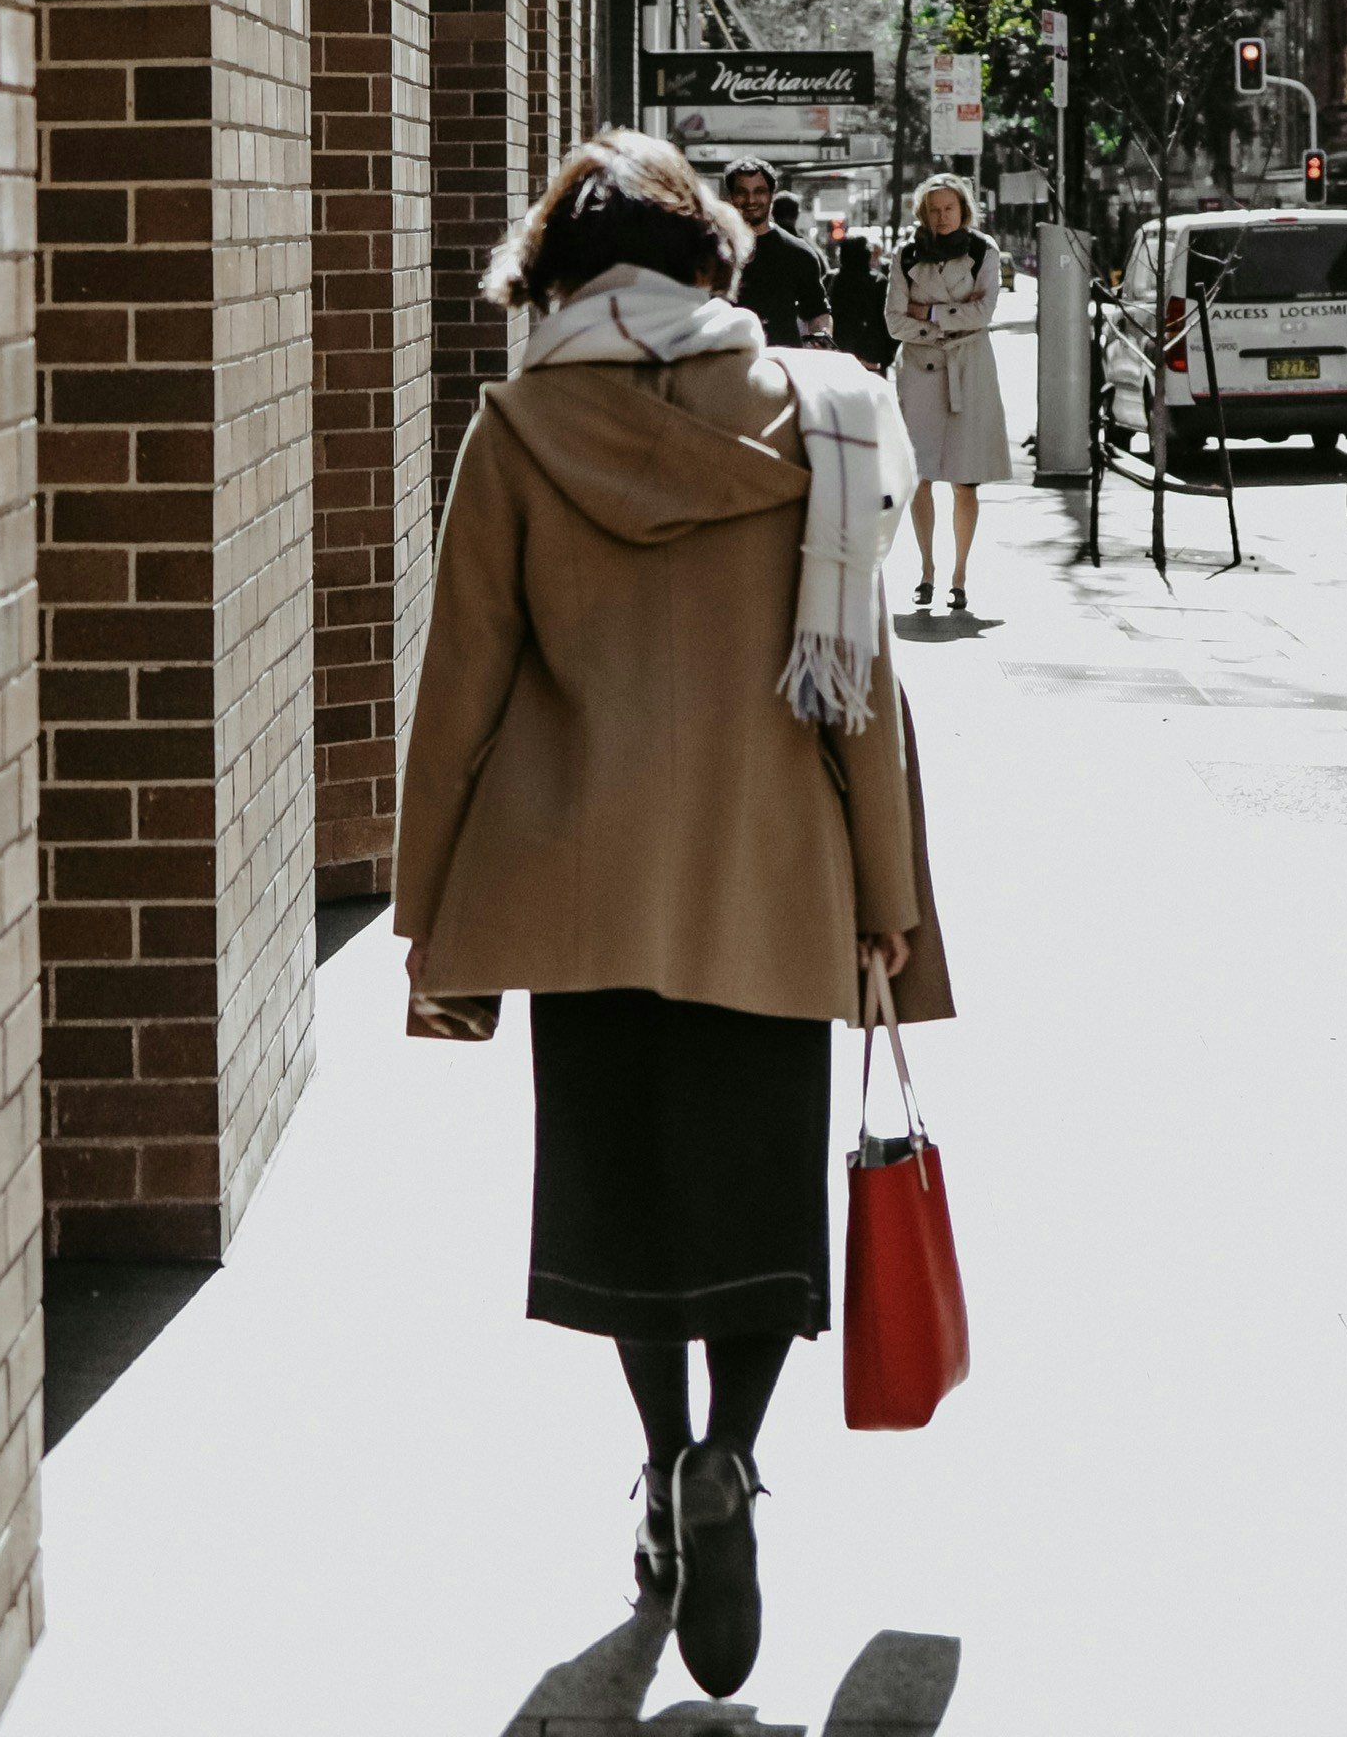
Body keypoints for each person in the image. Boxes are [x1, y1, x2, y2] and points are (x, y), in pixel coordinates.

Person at [398, 129, 952, 1699]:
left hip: (577, 894)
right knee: (760, 1205)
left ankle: (658, 1469)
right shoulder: (820, 413)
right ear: (713, 259)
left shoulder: (515, 433)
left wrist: (432, 925)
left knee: (628, 1202)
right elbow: (867, 690)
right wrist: (888, 897)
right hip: (770, 882)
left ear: (553, 275)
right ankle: (730, 1459)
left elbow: (462, 689)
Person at [891, 175, 1013, 611]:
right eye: (933, 209)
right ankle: (927, 569)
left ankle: (959, 575)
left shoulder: (983, 250)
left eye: (949, 208)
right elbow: (895, 321)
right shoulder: (906, 255)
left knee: (965, 479)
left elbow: (985, 310)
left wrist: (932, 311)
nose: (941, 217)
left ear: (963, 210)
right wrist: (945, 322)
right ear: (922, 213)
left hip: (969, 370)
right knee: (919, 475)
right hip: (921, 373)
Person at [725, 162, 833, 348]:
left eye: (759, 191)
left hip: (782, 360)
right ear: (731, 197)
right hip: (723, 361)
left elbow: (817, 311)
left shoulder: (799, 253)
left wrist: (820, 336)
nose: (751, 200)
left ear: (771, 196)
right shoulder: (711, 249)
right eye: (742, 192)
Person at [826, 228, 895, 373]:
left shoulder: (832, 279)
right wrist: (887, 355)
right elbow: (887, 320)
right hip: (870, 355)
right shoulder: (878, 281)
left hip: (837, 352)